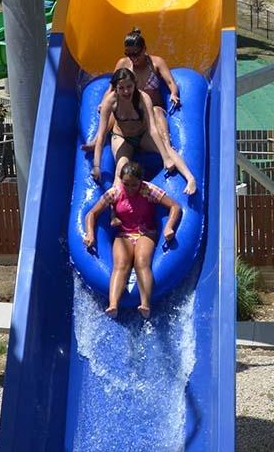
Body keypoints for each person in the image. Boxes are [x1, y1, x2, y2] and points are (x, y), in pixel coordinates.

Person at [82, 161, 182, 319]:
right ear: (121, 180)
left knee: (141, 261)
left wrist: (169, 227)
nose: (129, 188)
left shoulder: (148, 190)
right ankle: (113, 305)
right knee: (120, 264)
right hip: (124, 234)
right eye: (126, 184)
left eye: (134, 184)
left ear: (141, 181)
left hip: (146, 232)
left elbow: (175, 207)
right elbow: (91, 214)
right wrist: (90, 234)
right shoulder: (115, 192)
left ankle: (145, 304)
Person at [83, 68, 197, 195]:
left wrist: (165, 158)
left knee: (167, 149)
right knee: (120, 170)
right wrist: (97, 166)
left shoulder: (143, 98)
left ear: (135, 84)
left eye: (129, 86)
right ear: (115, 88)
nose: (126, 91)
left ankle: (190, 178)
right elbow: (101, 136)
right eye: (121, 88)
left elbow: (152, 129)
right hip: (122, 138)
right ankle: (115, 205)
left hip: (143, 135)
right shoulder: (110, 102)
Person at [111, 29, 197, 192]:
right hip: (130, 123)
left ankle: (187, 173)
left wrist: (173, 94)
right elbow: (111, 89)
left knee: (157, 114)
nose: (133, 58)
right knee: (114, 110)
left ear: (144, 49)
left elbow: (170, 82)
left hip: (152, 111)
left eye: (136, 53)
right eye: (128, 54)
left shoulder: (156, 63)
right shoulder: (123, 65)